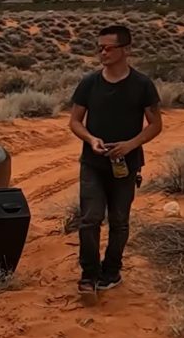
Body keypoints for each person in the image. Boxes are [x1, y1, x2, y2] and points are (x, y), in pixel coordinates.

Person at [69, 25, 162, 294]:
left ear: (126, 50)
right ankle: (89, 274)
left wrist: (130, 145)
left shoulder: (142, 85)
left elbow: (156, 125)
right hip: (93, 163)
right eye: (99, 47)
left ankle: (111, 271)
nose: (103, 52)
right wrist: (90, 139)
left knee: (119, 221)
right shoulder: (89, 83)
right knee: (90, 219)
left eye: (109, 47)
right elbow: (75, 121)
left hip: (126, 165)